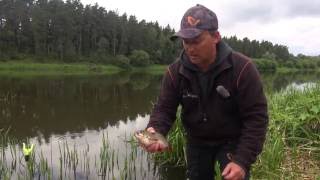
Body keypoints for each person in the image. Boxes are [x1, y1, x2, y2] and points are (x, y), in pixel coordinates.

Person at [144, 4, 268, 180]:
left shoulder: (243, 69)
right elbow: (164, 109)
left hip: (232, 140)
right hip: (197, 141)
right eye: (186, 42)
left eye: (196, 41)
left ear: (216, 37)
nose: (190, 48)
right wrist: (155, 129)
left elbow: (256, 118)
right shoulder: (174, 72)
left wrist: (242, 161)